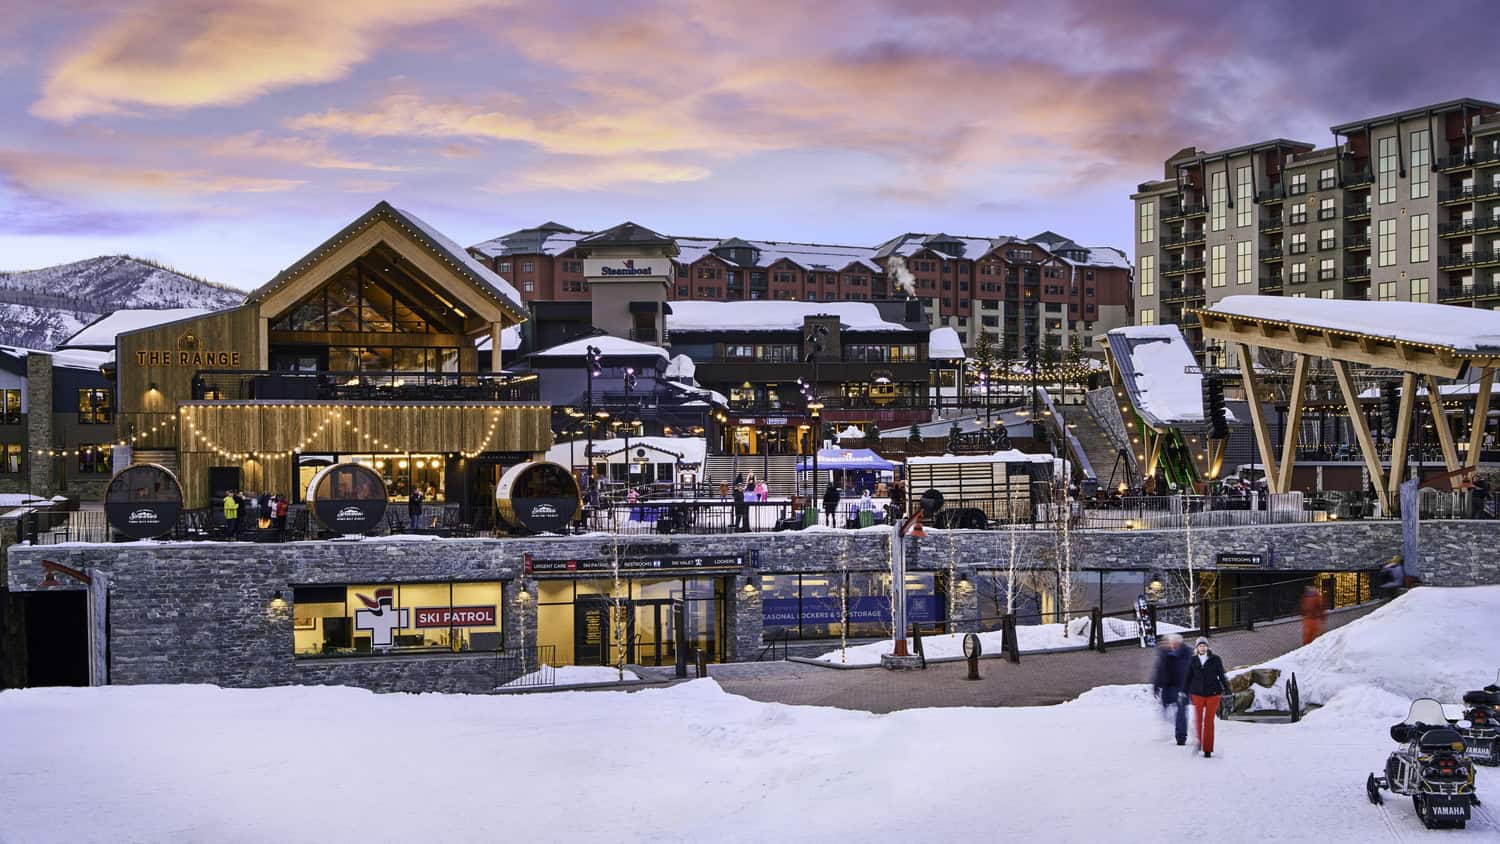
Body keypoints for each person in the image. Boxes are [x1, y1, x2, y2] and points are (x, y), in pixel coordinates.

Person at [1184, 636, 1231, 757]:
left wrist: (1227, 689)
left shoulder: (1216, 659)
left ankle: (1208, 749)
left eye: (1204, 645)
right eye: (1200, 645)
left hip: (1213, 694)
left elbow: (1221, 675)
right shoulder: (1192, 660)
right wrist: (1183, 691)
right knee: (1198, 720)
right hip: (1197, 694)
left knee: (1209, 721)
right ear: (1197, 648)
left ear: (1208, 647)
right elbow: (1188, 677)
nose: (1202, 647)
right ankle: (1199, 742)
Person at [1152, 633, 1192, 746]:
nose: (1172, 645)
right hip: (1168, 687)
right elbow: (1159, 671)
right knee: (1165, 710)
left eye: (1175, 643)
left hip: (1182, 687)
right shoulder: (1165, 654)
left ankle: (1181, 737)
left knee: (1181, 712)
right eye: (1171, 643)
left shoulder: (1187, 654)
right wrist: (1156, 686)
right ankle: (1175, 729)